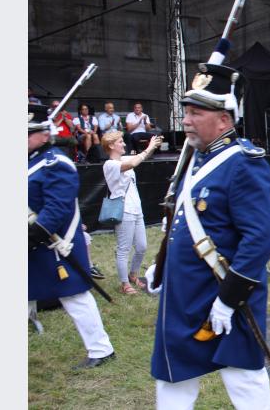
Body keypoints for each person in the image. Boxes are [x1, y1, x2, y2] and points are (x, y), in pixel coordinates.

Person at [148, 62, 270, 409]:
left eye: (196, 112)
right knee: (172, 374)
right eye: (186, 112)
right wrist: (162, 266)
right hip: (185, 292)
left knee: (243, 376)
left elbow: (259, 239)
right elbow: (185, 221)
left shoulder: (243, 163)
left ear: (224, 119)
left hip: (224, 291)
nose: (186, 120)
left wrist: (228, 299)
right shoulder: (197, 158)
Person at [28, 103, 115, 369]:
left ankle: (101, 349)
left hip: (53, 245)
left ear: (44, 134)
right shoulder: (31, 162)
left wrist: (32, 235)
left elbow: (57, 207)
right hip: (34, 244)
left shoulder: (56, 163)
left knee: (74, 296)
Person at [102, 131, 162, 294]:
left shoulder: (124, 159)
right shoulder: (110, 165)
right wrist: (149, 147)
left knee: (142, 247)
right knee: (124, 249)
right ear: (111, 146)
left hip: (136, 209)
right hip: (124, 210)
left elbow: (141, 157)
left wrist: (153, 143)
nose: (124, 144)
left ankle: (133, 275)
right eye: (120, 142)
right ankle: (124, 284)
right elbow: (134, 163)